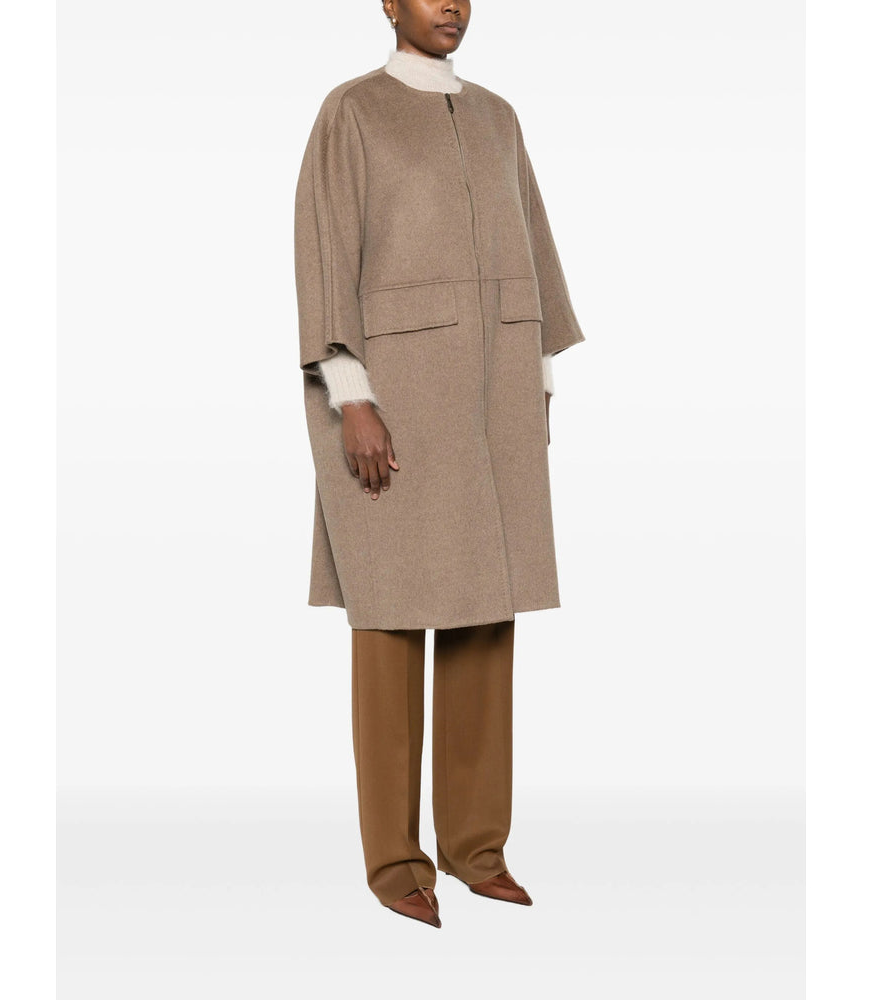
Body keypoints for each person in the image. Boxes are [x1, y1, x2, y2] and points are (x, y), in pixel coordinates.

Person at [294, 0, 585, 928]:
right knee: (391, 620)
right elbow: (326, 258)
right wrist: (351, 395)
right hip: (397, 399)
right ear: (389, 3)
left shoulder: (499, 117)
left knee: (485, 619)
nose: (450, 4)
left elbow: (533, 247)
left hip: (496, 401)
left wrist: (538, 376)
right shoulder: (353, 112)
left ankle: (475, 849)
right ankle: (394, 864)